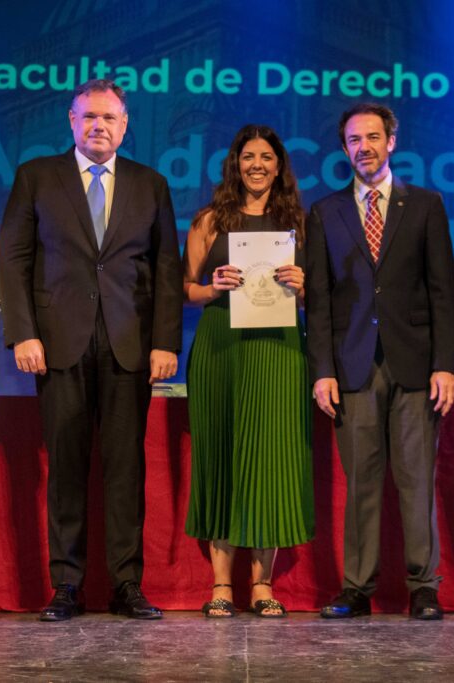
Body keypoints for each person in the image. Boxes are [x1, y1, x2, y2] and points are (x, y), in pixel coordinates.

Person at [0, 79, 182, 621]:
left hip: (130, 345)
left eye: (109, 118)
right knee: (67, 467)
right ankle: (67, 585)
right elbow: (12, 258)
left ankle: (126, 584)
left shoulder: (151, 184)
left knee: (126, 470)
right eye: (89, 117)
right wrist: (23, 332)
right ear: (71, 121)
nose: (99, 126)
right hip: (59, 343)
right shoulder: (37, 176)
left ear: (125, 126)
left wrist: (165, 341)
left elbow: (166, 268)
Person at [306, 103, 454, 620]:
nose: (364, 147)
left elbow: (443, 292)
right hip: (352, 367)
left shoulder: (426, 205)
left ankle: (424, 588)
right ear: (344, 148)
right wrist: (322, 370)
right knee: (362, 483)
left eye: (373, 137)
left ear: (391, 141)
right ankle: (357, 587)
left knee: (416, 480)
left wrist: (446, 364)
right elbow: (319, 301)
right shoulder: (325, 212)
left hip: (415, 365)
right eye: (354, 139)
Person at [183, 125, 313, 619]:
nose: (256, 165)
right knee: (221, 455)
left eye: (266, 157)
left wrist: (302, 287)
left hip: (279, 351)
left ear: (279, 167)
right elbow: (184, 288)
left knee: (270, 460)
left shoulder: (299, 224)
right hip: (222, 348)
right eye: (247, 156)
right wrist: (211, 288)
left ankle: (262, 584)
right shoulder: (210, 220)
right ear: (235, 165)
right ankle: (221, 583)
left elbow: (320, 297)